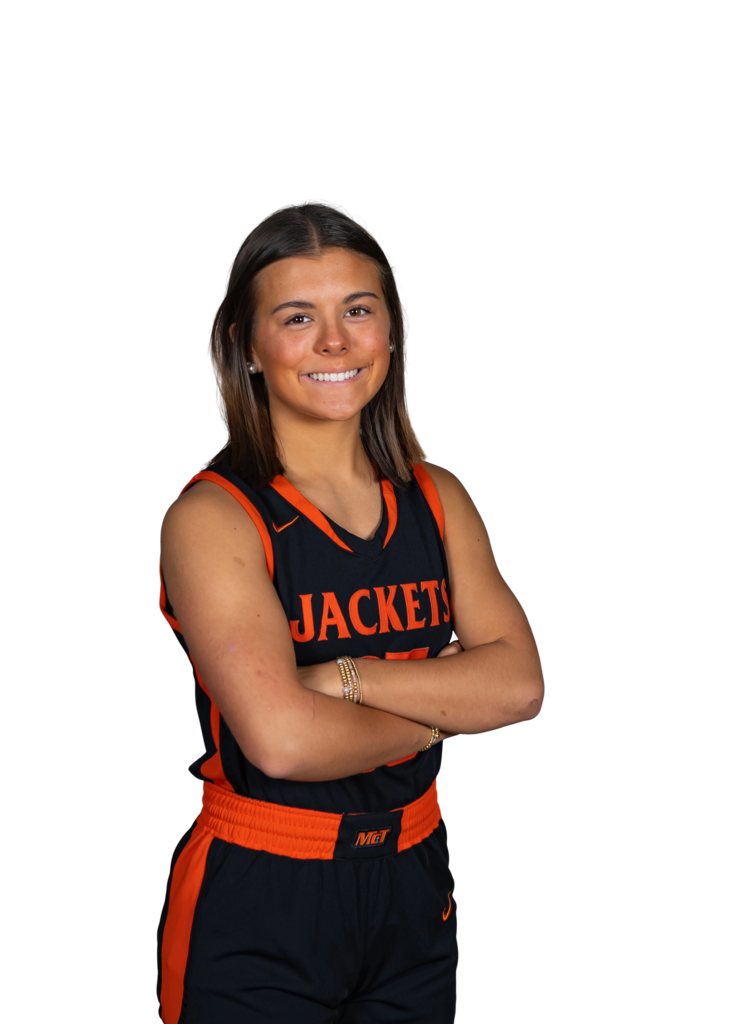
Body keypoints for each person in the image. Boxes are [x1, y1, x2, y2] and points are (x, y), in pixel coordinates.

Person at [155, 198, 545, 1023]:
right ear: (245, 345)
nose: (334, 342)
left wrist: (340, 680)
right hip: (263, 894)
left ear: (391, 330)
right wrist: (443, 716)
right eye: (298, 317)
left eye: (357, 310)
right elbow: (283, 743)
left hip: (416, 882)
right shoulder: (212, 517)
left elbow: (518, 688)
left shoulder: (438, 497)